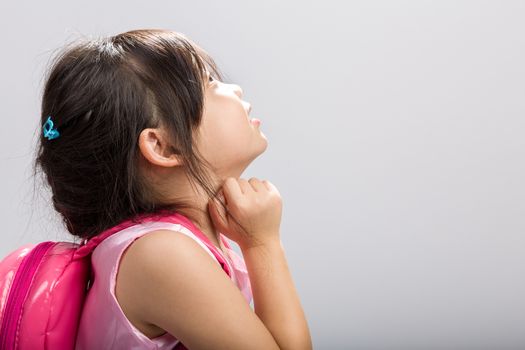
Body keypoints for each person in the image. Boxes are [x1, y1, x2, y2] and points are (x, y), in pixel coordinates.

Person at [33, 28, 312, 349]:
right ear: (163, 146)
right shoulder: (161, 254)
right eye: (208, 83)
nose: (234, 89)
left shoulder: (170, 243)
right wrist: (263, 244)